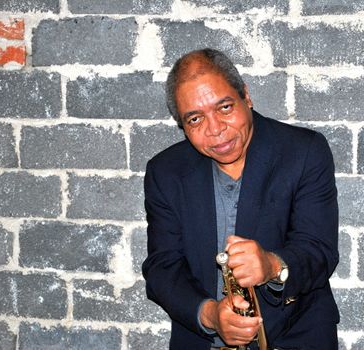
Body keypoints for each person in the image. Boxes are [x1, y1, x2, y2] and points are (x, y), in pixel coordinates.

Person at [142, 48, 340, 350]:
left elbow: (319, 252)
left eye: (224, 107)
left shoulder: (304, 151)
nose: (216, 130)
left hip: (296, 337)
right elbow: (162, 267)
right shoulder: (164, 171)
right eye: (195, 119)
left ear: (246, 96)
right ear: (182, 125)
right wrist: (209, 315)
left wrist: (272, 265)